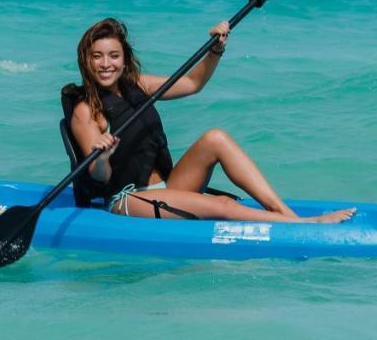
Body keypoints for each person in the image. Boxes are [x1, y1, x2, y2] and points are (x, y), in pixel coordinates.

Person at [62, 18, 355, 224]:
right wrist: (103, 156)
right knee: (222, 206)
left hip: (168, 184)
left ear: (125, 59)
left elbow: (192, 83)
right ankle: (306, 226)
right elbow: (99, 176)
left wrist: (215, 49)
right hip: (128, 198)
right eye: (97, 56)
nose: (105, 64)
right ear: (86, 60)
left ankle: (286, 215)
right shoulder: (86, 111)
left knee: (215, 137)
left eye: (113, 55)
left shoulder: (137, 83)